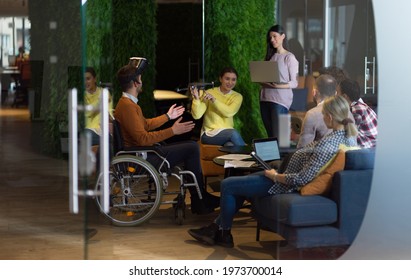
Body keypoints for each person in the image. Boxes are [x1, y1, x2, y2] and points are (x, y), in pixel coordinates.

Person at [187, 95, 358, 248]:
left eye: (323, 114)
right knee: (241, 185)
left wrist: (276, 176)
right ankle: (218, 230)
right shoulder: (345, 137)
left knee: (228, 185)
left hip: (284, 184)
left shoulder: (329, 145)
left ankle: (222, 233)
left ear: (329, 116)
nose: (322, 117)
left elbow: (301, 179)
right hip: (283, 175)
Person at [113, 58, 220, 215]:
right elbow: (143, 138)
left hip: (142, 153)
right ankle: (199, 198)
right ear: (136, 83)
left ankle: (199, 197)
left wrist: (168, 117)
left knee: (190, 148)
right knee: (191, 147)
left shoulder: (128, 104)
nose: (142, 81)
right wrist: (172, 131)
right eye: (140, 78)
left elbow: (145, 125)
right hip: (142, 156)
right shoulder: (128, 107)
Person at [259, 24, 299, 139]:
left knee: (281, 138)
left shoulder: (289, 57)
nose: (272, 40)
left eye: (275, 36)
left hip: (280, 101)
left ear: (283, 36)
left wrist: (279, 86)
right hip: (265, 99)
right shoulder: (270, 56)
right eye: (270, 37)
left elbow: (294, 83)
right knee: (271, 136)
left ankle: (283, 157)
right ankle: (273, 157)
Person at [190, 67, 245, 146]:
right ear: (220, 79)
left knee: (229, 145)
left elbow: (229, 112)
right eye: (227, 79)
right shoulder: (209, 92)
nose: (230, 82)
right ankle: (251, 155)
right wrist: (196, 99)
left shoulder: (237, 96)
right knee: (233, 133)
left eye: (233, 79)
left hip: (227, 133)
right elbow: (196, 116)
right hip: (209, 134)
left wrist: (214, 101)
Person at [297, 74, 337, 148]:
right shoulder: (346, 111)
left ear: (314, 92)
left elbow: (303, 149)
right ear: (335, 93)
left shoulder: (312, 114)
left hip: (321, 158)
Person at [339, 78, 378, 148]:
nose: (335, 96)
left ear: (344, 96)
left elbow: (350, 133)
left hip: (369, 148)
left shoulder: (357, 109)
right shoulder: (360, 105)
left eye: (337, 92)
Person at [84, 67, 113, 146]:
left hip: (104, 129)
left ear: (95, 79)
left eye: (88, 78)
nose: (86, 82)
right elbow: (88, 113)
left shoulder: (104, 92)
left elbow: (110, 112)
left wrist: (110, 120)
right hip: (90, 129)